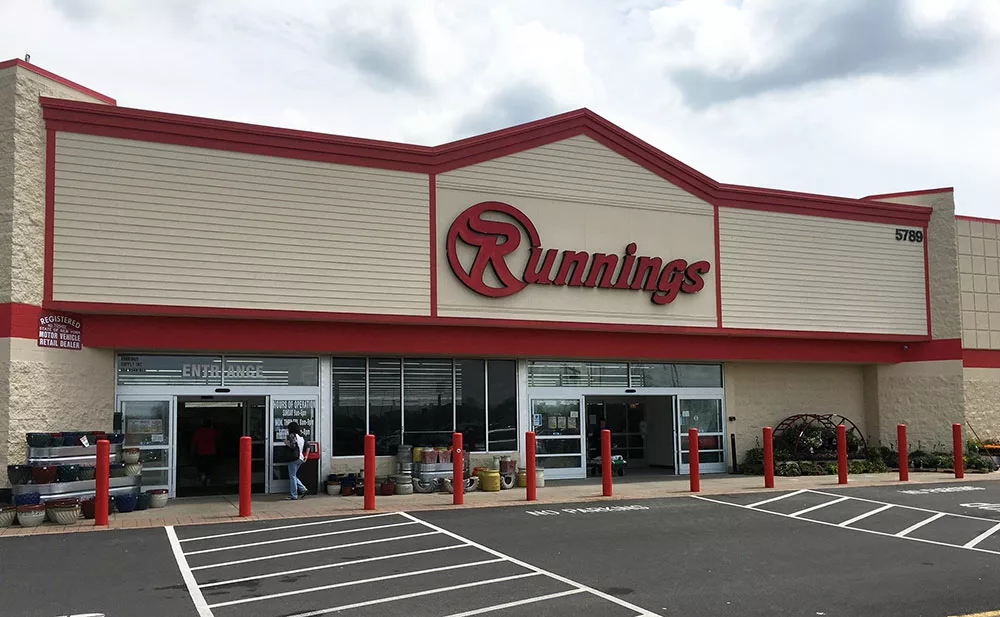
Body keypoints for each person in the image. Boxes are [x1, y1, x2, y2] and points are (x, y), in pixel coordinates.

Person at [191, 418, 218, 487]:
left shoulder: (198, 432)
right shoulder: (213, 432)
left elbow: (194, 443)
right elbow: (218, 440)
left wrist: (193, 452)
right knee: (209, 469)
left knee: (201, 468)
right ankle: (208, 482)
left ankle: (202, 478)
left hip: (201, 453)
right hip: (211, 453)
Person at [286, 422, 308, 500]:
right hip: (300, 458)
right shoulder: (301, 437)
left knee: (292, 476)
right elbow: (307, 446)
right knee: (294, 475)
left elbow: (292, 446)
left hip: (294, 458)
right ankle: (303, 489)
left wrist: (286, 442)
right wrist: (306, 456)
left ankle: (294, 495)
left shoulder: (292, 435)